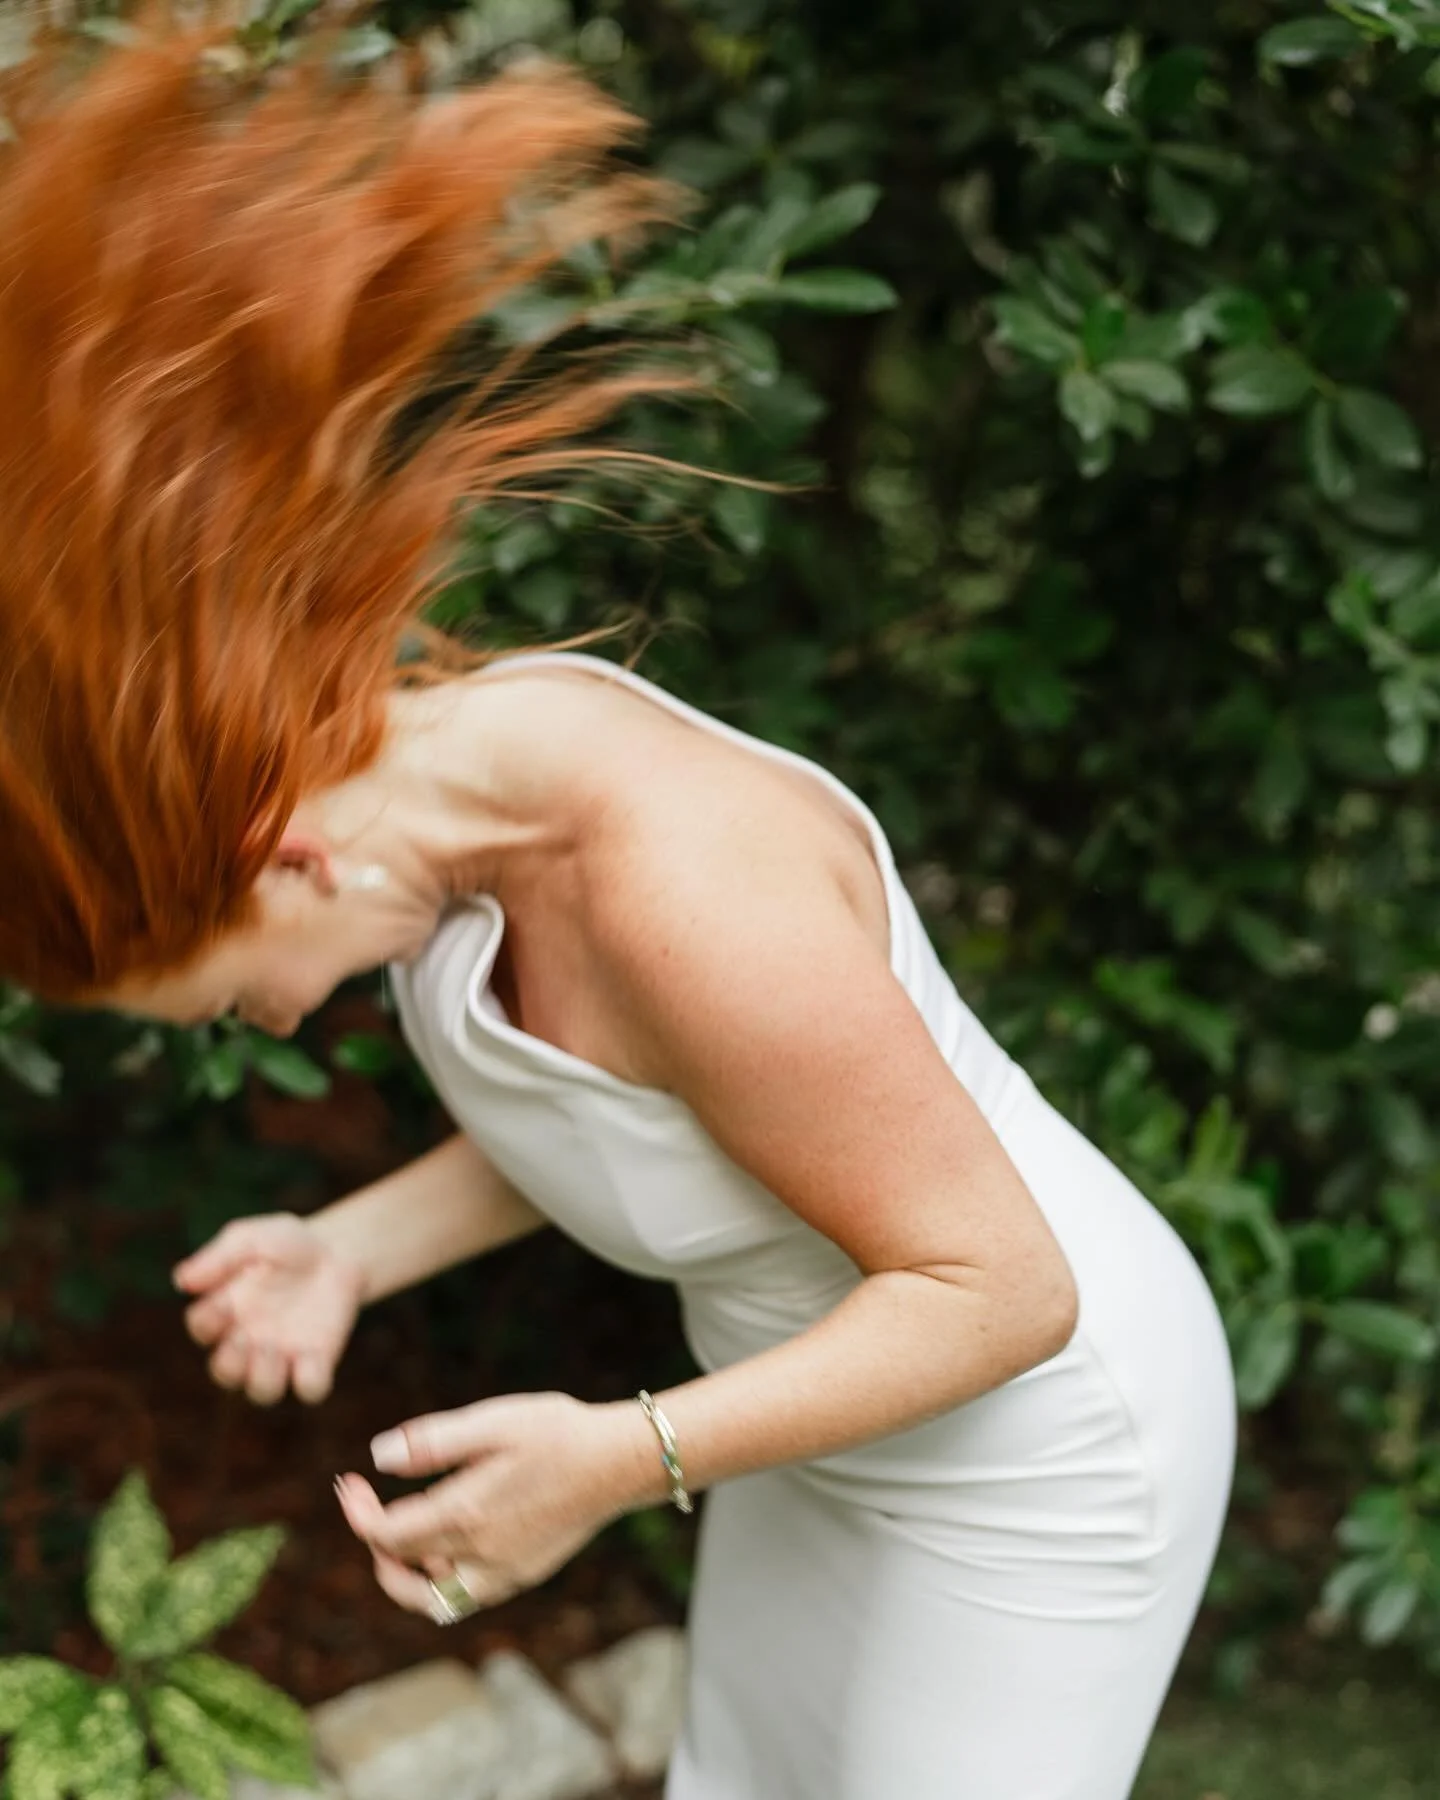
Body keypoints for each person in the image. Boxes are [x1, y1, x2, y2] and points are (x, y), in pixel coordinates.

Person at [0, 23, 1235, 1800]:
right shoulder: (434, 813)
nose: (266, 1025)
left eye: (219, 997)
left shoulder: (682, 883)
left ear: (278, 855)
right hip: (817, 1410)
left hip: (1034, 1436)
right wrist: (349, 1251)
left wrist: (619, 1457)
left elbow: (1001, 1287)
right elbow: (658, 1115)